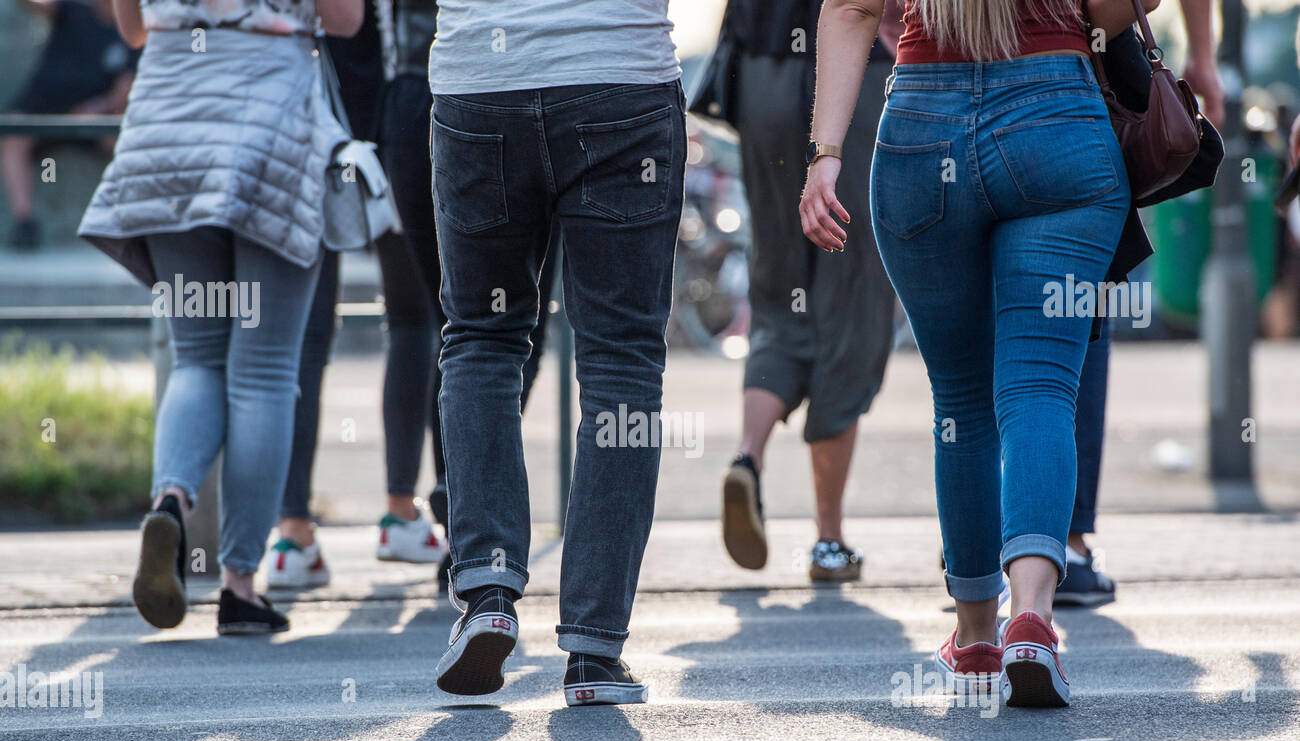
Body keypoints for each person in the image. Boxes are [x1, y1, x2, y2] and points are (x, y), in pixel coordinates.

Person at [802, 0, 1157, 706]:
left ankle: (973, 638)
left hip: (922, 125)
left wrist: (825, 158)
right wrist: (1086, 26)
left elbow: (849, 8)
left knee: (962, 400)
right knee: (1041, 390)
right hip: (1057, 118)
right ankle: (1032, 619)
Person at [428, 0, 685, 705]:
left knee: (482, 338)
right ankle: (593, 654)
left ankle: (488, 591)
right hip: (619, 81)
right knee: (622, 362)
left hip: (481, 81)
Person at [80, 0, 363, 634]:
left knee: (197, 358)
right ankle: (240, 585)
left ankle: (172, 505)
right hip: (271, 122)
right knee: (263, 373)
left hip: (168, 128)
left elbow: (132, 27)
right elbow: (344, 18)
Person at [268, 0, 558, 592]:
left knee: (423, 331)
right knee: (455, 326)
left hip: (366, 115)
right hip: (471, 94)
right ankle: (427, 510)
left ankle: (297, 530)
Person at [719, 0, 901, 584]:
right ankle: (828, 538)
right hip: (858, 69)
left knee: (778, 293)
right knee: (852, 301)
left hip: (763, 70)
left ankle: (748, 454)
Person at [1057, 0, 1223, 606]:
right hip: (1070, 85)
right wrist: (1199, 56)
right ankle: (1066, 546)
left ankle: (978, 540)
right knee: (1079, 312)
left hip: (941, 85)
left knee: (989, 328)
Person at [2, 0, 138, 250]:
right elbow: (38, 5)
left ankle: (129, 222)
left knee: (125, 144)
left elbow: (125, 87)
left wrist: (96, 108)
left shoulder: (131, 29)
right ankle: (25, 224)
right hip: (40, 112)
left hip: (93, 117)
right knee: (14, 137)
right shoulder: (73, 10)